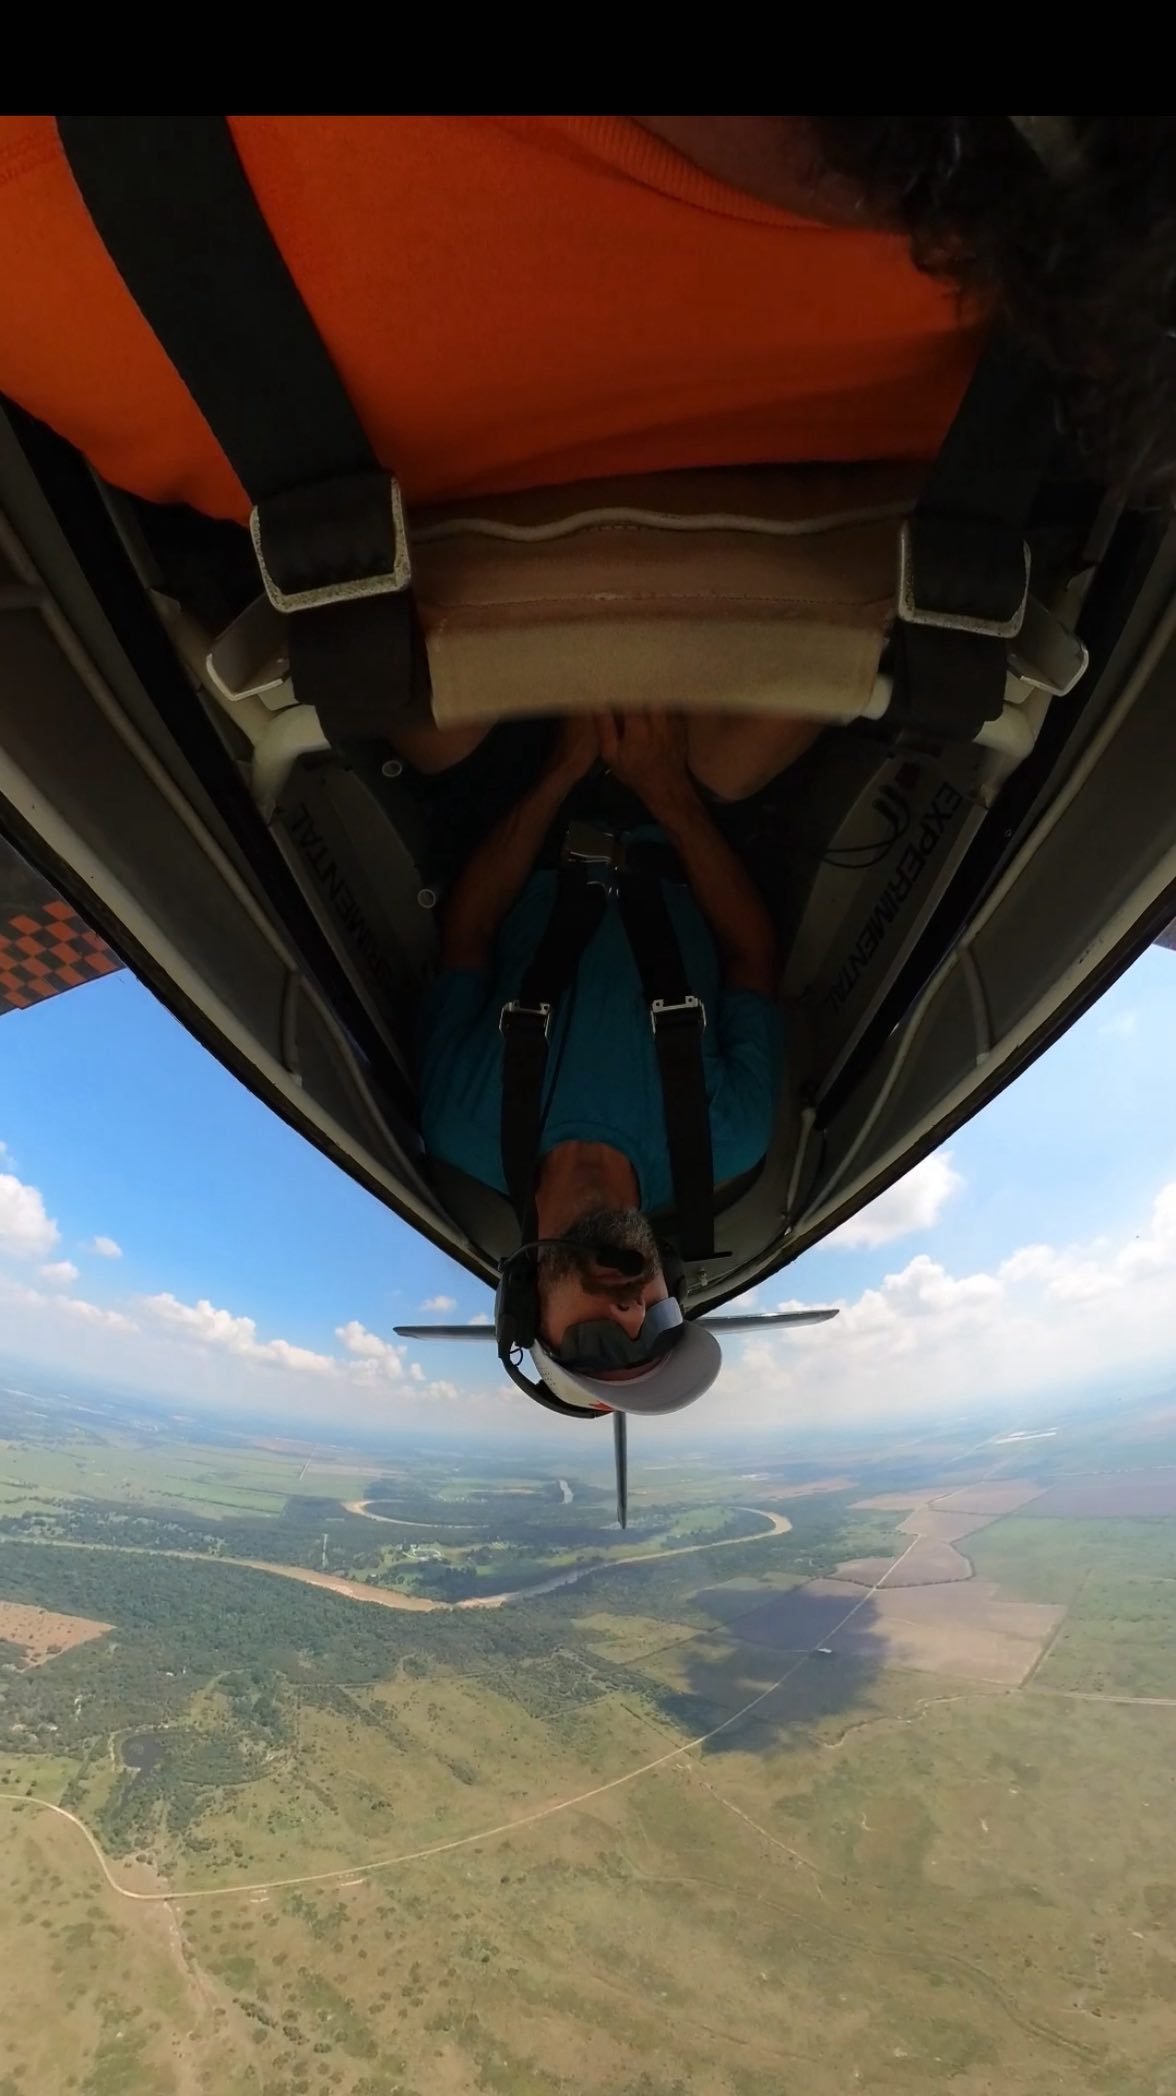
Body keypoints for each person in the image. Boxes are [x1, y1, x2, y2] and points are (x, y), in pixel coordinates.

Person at [417, 706, 804, 1410]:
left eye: (599, 1344)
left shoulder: (461, 1121)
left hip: (530, 799)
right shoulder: (729, 1138)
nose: (629, 1315)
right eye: (658, 1328)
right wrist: (667, 793)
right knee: (774, 726)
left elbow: (468, 932)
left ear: (529, 1309)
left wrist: (560, 772)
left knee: (422, 727)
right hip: (689, 810)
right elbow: (753, 956)